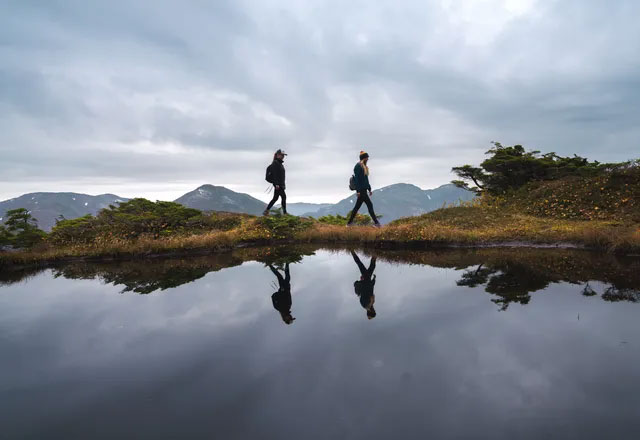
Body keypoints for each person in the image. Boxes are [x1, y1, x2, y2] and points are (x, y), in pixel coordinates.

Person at [347, 150, 381, 227]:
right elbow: (357, 179)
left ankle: (349, 223)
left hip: (364, 190)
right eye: (367, 158)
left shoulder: (364, 167)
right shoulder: (358, 166)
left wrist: (369, 189)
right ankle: (376, 223)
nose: (368, 159)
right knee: (369, 205)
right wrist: (358, 191)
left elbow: (366, 179)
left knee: (357, 207)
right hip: (361, 190)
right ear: (364, 158)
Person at [351, 250, 377, 319]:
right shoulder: (367, 305)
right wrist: (373, 280)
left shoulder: (367, 304)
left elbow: (367, 290)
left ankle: (352, 251)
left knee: (361, 264)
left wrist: (372, 280)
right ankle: (375, 252)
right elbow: (369, 290)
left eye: (374, 311)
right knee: (372, 266)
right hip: (366, 280)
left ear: (371, 311)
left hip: (366, 280)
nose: (374, 309)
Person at [264, 149, 288, 216]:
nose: (283, 156)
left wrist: (282, 184)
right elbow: (275, 174)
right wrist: (276, 184)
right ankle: (285, 213)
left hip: (280, 184)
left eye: (283, 155)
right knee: (284, 197)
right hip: (278, 184)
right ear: (277, 155)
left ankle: (266, 211)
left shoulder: (280, 164)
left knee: (275, 198)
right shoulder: (275, 163)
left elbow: (281, 175)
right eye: (281, 155)